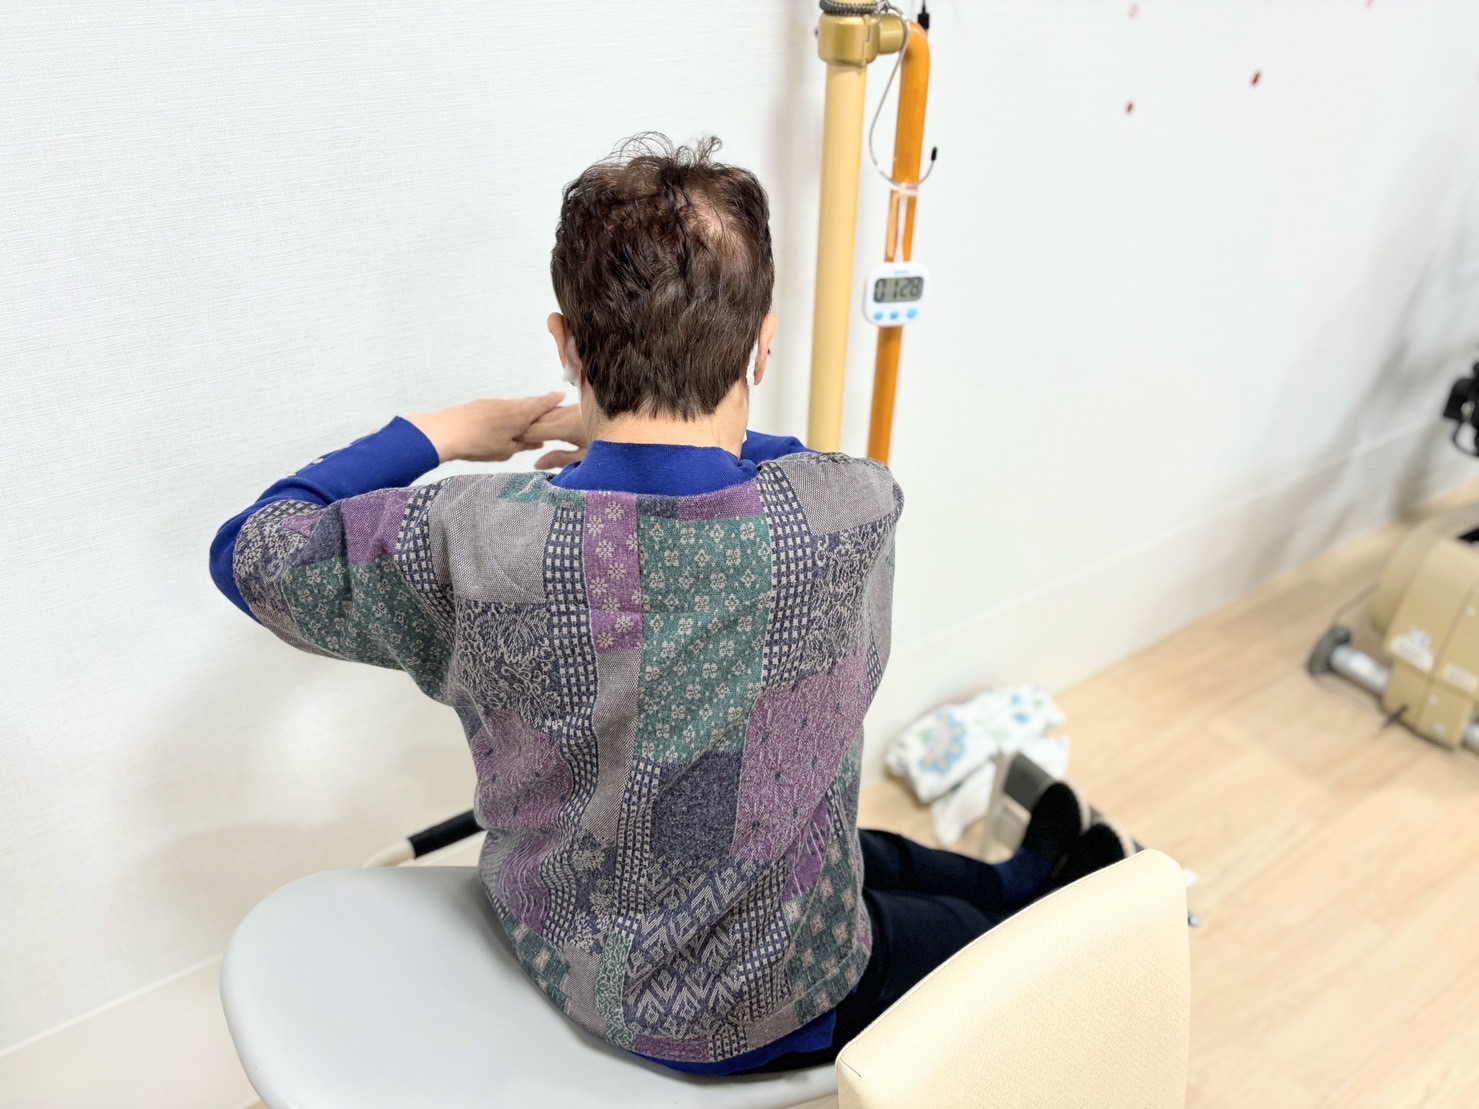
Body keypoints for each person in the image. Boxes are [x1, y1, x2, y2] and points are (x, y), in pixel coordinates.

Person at [210, 134, 1132, 1076]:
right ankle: (1039, 911)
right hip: (768, 1003)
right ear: (762, 344)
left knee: (861, 850)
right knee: (972, 942)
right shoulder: (850, 506)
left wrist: (442, 430)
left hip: (572, 941)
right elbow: (782, 463)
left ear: (566, 345)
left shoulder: (471, 540)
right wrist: (636, 450)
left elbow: (249, 548)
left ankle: (1017, 876)